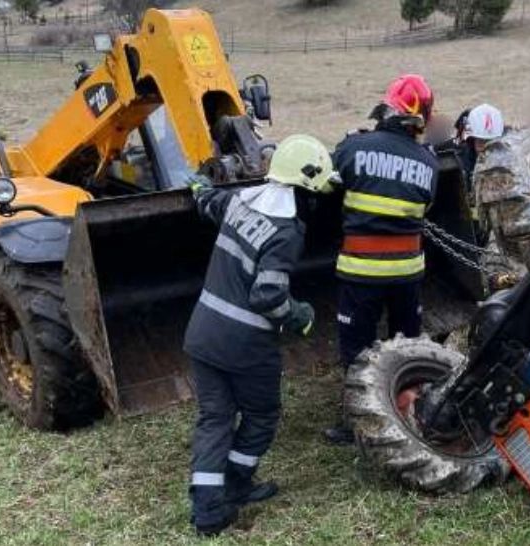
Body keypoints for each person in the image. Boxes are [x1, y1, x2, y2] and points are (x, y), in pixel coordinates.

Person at [183, 134, 336, 536]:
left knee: (214, 418)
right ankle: (236, 484)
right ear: (305, 189)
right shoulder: (286, 231)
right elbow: (268, 295)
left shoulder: (240, 201)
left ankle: (208, 511)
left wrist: (198, 184)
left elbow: (206, 201)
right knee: (261, 414)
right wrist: (299, 315)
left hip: (202, 334)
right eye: (317, 193)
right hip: (246, 345)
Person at [324, 74, 440, 444]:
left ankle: (359, 423)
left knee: (358, 351)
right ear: (422, 118)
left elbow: (327, 185)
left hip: (361, 273)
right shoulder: (429, 163)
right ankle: (407, 412)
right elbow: (425, 208)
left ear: (387, 107)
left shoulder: (353, 147)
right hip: (407, 274)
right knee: (405, 346)